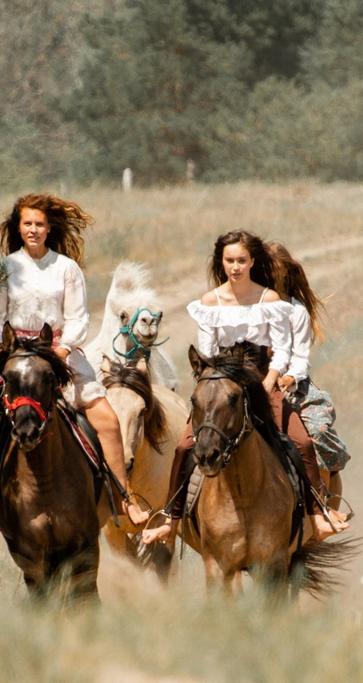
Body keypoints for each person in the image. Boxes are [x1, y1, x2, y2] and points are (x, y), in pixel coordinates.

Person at [0, 194, 152, 542]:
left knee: (108, 421)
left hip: (59, 353)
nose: (33, 230)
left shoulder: (67, 268)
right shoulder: (4, 268)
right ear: (19, 228)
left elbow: (78, 318)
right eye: (27, 224)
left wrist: (61, 350)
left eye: (39, 224)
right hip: (16, 356)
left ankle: (124, 500)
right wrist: (2, 344)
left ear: (49, 229)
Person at [143, 230, 349, 549]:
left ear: (252, 261)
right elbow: (208, 353)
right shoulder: (209, 303)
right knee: (184, 447)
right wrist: (216, 384)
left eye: (241, 260)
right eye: (230, 260)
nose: (235, 267)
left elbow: (281, 350)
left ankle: (318, 514)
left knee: (302, 442)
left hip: (263, 380)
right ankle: (171, 519)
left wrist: (268, 382)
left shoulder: (270, 300)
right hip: (222, 382)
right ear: (221, 262)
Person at [260, 240, 349, 507]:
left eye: (273, 268)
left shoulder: (296, 311)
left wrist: (289, 376)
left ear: (286, 270)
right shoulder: (251, 305)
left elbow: (300, 357)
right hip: (256, 382)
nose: (268, 273)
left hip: (292, 386)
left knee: (318, 431)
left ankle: (324, 503)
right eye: (263, 267)